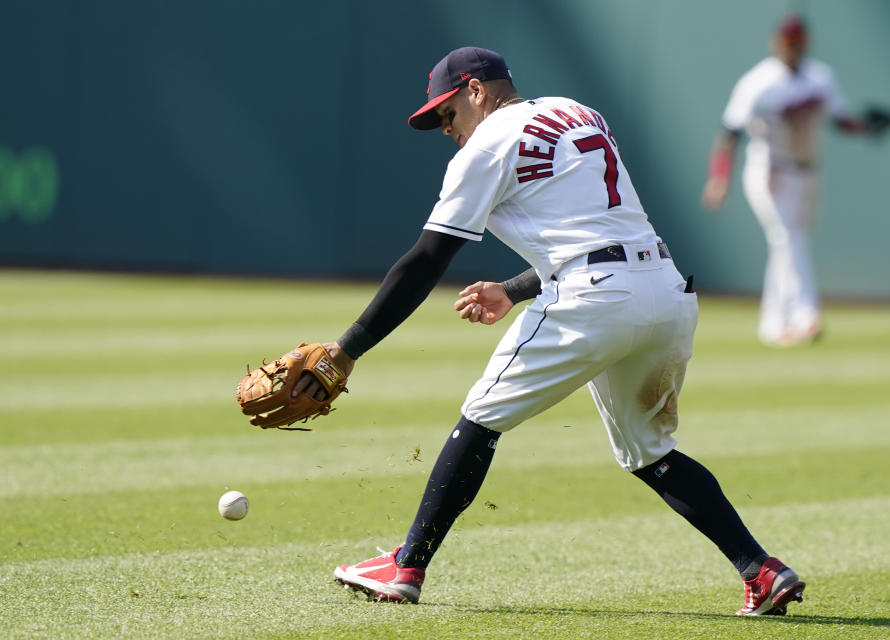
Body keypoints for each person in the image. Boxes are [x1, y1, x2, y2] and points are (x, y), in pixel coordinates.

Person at [298, 46, 805, 615]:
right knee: (649, 451)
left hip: (595, 298)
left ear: (475, 91)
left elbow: (426, 260)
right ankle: (760, 569)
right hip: (664, 289)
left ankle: (406, 564)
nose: (447, 129)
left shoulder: (487, 143)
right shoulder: (577, 112)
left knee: (482, 415)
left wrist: (348, 348)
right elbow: (593, 227)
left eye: (448, 114)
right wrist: (513, 290)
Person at [701, 13, 887, 346]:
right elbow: (729, 133)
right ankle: (805, 315)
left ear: (805, 42)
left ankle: (773, 325)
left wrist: (865, 126)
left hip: (809, 171)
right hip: (770, 169)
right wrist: (719, 179)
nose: (791, 46)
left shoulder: (820, 77)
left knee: (788, 243)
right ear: (775, 42)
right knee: (789, 240)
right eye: (786, 40)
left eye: (796, 39)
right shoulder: (758, 82)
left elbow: (840, 119)